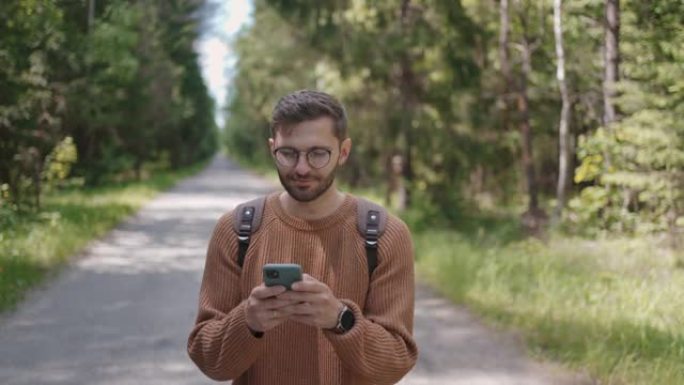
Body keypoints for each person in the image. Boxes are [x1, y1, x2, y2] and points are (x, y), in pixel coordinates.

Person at [187, 90, 417, 385]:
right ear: (273, 149)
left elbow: (395, 363)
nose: (302, 168)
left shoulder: (385, 235)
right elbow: (209, 360)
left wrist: (340, 319)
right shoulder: (235, 229)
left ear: (343, 152)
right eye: (289, 153)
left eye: (318, 153)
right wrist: (248, 321)